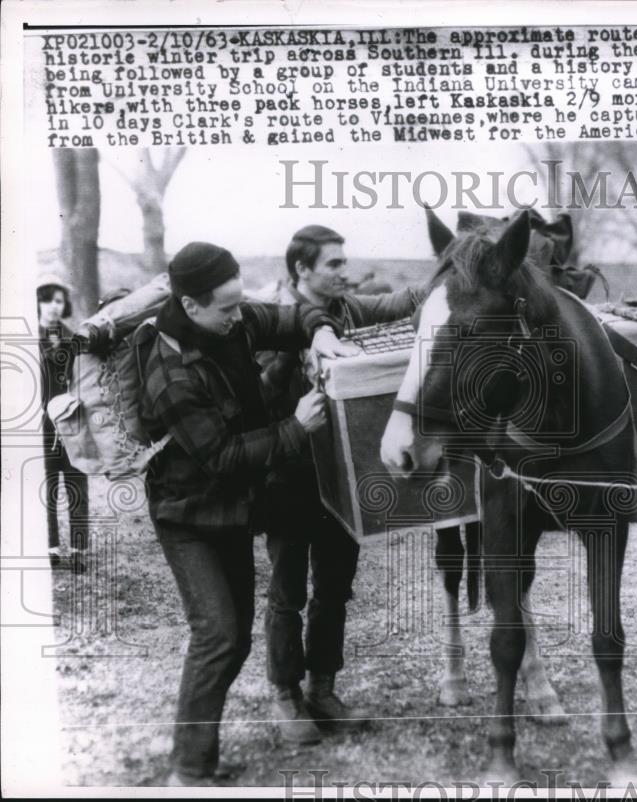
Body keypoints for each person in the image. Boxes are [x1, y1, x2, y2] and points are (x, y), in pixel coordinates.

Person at [139, 241, 344, 786]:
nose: (239, 316)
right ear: (190, 306)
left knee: (237, 638)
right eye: (227, 308)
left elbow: (293, 314)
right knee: (218, 635)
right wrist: (297, 429)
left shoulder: (232, 319)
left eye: (239, 304)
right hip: (187, 515)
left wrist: (319, 328)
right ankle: (189, 769)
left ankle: (195, 757)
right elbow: (223, 459)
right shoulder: (170, 373)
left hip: (229, 512)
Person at [255, 224, 423, 744]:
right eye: (333, 264)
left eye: (345, 261)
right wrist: (291, 353)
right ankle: (285, 696)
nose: (344, 272)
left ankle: (322, 688)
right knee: (288, 591)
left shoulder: (347, 308)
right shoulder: (268, 317)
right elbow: (256, 399)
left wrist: (445, 280)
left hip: (340, 476)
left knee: (333, 590)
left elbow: (400, 301)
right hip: (286, 476)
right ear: (301, 269)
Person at [37, 273, 90, 574]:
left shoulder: (73, 338)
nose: (53, 306)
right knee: (46, 488)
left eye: (59, 301)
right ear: (37, 302)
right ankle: (50, 548)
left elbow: (84, 378)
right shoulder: (28, 338)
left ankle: (79, 550)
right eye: (47, 299)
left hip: (70, 420)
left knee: (75, 485)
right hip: (40, 425)